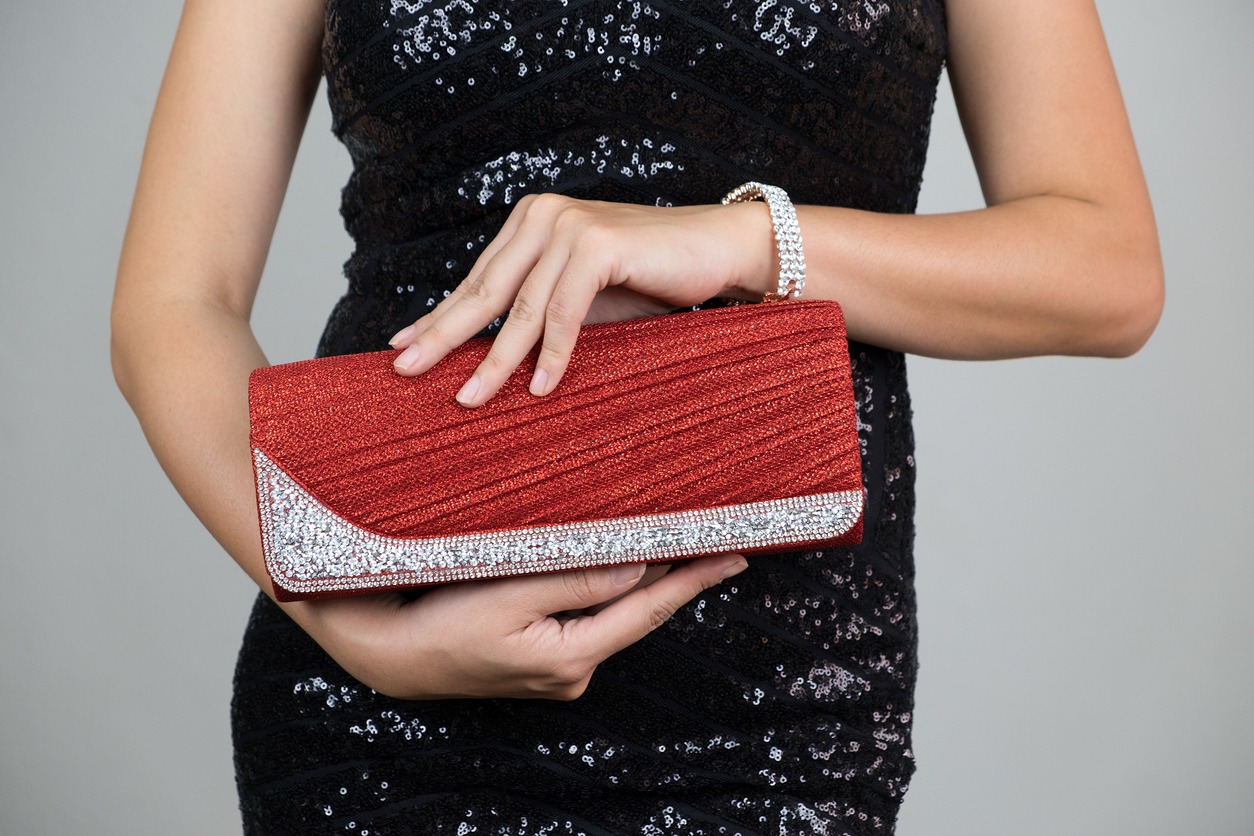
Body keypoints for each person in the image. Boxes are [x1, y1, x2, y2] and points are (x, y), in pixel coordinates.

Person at [111, 0, 1162, 833]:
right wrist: (363, 634)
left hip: (778, 713)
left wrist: (744, 241)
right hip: (382, 690)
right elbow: (172, 306)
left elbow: (1107, 266)